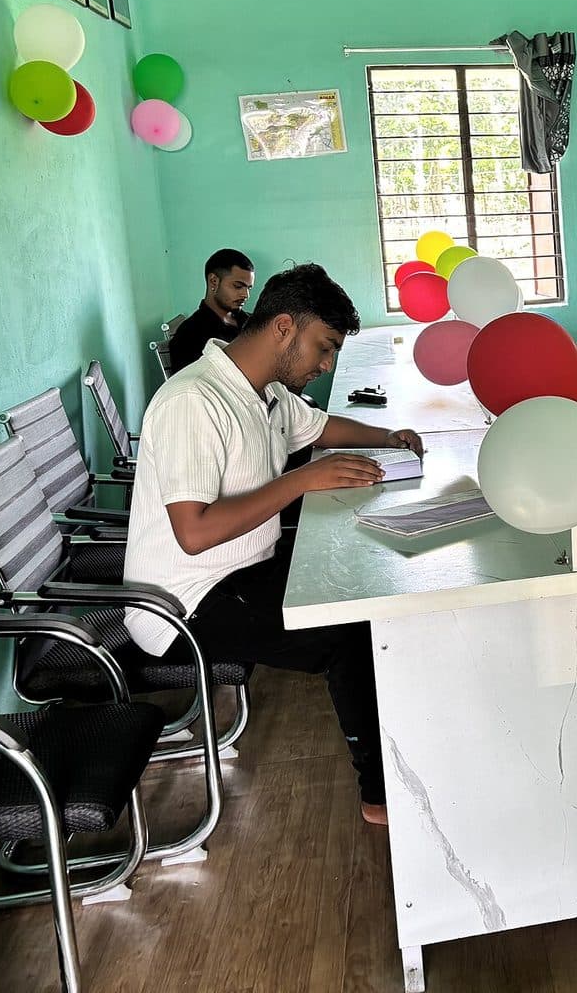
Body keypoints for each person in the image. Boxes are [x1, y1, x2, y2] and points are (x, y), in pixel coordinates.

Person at [122, 263, 423, 824]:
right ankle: (380, 795)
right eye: (324, 347)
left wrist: (389, 436)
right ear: (284, 326)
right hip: (184, 603)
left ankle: (407, 741)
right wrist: (301, 480)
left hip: (241, 567)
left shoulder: (265, 391)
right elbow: (195, 532)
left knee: (361, 570)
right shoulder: (193, 400)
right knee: (346, 632)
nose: (327, 364)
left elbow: (319, 428)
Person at [170, 249, 255, 371]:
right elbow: (189, 387)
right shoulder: (190, 335)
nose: (246, 295)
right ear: (213, 281)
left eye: (249, 288)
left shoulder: (253, 323)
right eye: (238, 286)